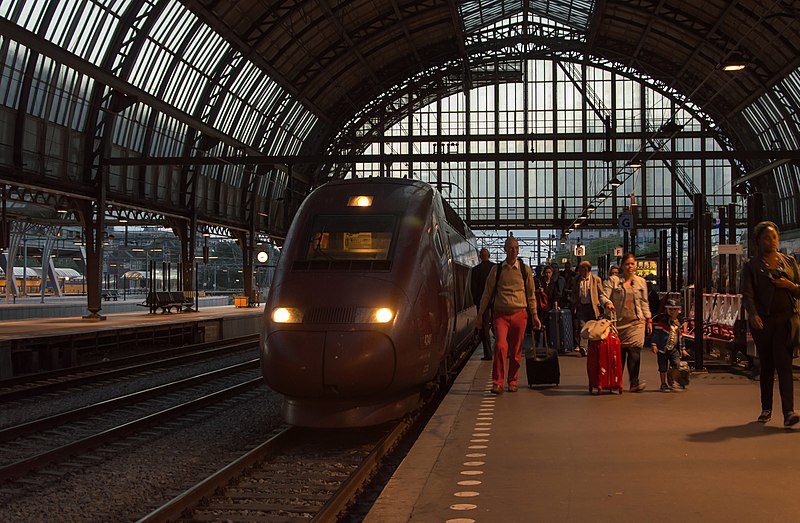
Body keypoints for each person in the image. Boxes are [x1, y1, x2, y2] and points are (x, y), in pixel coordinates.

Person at [739, 221, 800, 426]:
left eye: (774, 237)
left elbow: (799, 289)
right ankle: (766, 408)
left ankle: (789, 412)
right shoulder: (751, 266)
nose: (772, 241)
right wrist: (753, 314)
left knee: (784, 365)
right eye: (767, 237)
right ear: (758, 241)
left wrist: (789, 285)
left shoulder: (789, 262)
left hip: (785, 322)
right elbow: (747, 294)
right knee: (766, 365)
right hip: (763, 323)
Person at [477, 237, 541, 394]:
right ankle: (497, 382)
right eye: (511, 248)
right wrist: (480, 315)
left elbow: (531, 294)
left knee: (516, 349)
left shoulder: (525, 270)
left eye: (517, 248)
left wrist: (534, 315)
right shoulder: (497, 270)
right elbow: (487, 293)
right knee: (500, 346)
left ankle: (513, 380)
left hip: (520, 313)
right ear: (505, 249)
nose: (514, 251)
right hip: (500, 314)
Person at [604, 252, 652, 392]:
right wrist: (607, 303)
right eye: (627, 264)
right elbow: (603, 296)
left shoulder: (641, 282)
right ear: (622, 266)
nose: (630, 267)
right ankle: (616, 381)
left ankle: (634, 382)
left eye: (632, 264)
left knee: (635, 350)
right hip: (618, 323)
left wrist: (648, 319)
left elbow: (644, 302)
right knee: (619, 353)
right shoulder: (613, 281)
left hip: (636, 322)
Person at [572, 260, 612, 356]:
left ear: (586, 269)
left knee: (592, 328)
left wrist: (606, 303)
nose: (579, 271)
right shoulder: (576, 279)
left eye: (581, 268)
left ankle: (591, 348)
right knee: (583, 327)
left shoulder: (596, 279)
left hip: (592, 307)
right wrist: (574, 304)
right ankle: (584, 347)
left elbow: (601, 293)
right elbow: (574, 293)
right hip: (581, 306)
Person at [650, 295, 689, 392]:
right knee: (662, 367)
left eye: (674, 309)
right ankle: (663, 384)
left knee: (676, 364)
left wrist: (683, 349)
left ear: (679, 310)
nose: (672, 311)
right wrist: (654, 344)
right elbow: (657, 333)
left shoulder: (680, 322)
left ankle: (673, 380)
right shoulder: (663, 321)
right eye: (670, 309)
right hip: (662, 348)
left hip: (675, 348)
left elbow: (681, 336)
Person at [471, 248, 495, 360]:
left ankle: (488, 354)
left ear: (480, 256)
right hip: (496, 301)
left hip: (482, 302)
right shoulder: (495, 268)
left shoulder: (475, 270)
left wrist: (477, 303)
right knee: (499, 325)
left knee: (484, 328)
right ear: (489, 256)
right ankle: (503, 350)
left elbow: (473, 289)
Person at [537, 265, 561, 348]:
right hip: (539, 307)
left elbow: (555, 296)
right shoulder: (539, 282)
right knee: (539, 325)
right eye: (546, 273)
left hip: (548, 307)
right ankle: (537, 343)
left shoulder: (553, 283)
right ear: (544, 273)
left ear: (552, 274)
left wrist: (556, 307)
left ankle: (546, 344)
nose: (547, 274)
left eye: (549, 273)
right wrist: (538, 291)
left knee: (548, 326)